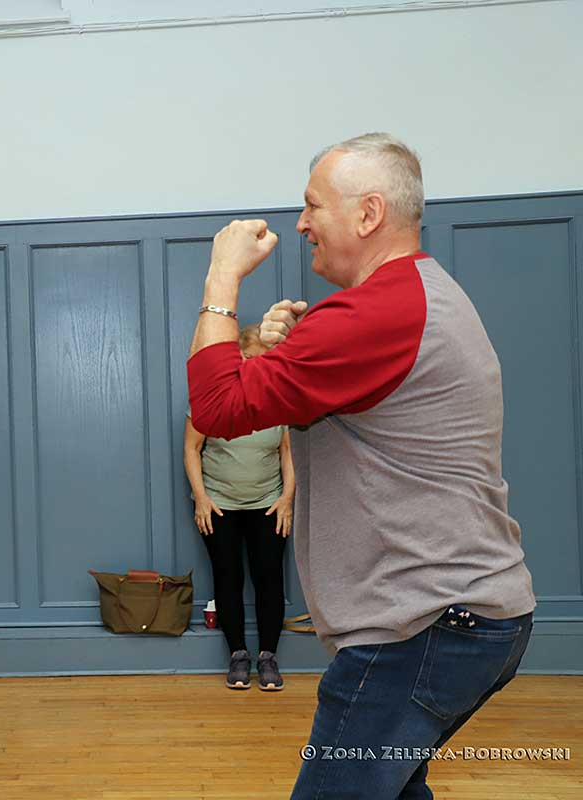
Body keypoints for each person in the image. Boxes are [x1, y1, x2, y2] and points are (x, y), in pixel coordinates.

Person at [186, 133, 535, 799]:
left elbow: (217, 406)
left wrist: (221, 279)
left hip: (423, 629)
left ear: (369, 214)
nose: (301, 223)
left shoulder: (378, 312)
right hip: (464, 619)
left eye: (313, 205)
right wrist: (296, 353)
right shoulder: (417, 295)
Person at [184, 324, 293, 691]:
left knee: (269, 579)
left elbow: (289, 452)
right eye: (248, 358)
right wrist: (201, 498)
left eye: (263, 361)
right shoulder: (212, 396)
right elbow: (192, 448)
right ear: (236, 358)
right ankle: (238, 656)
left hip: (268, 504)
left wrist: (286, 499)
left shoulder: (280, 400)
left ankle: (268, 658)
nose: (253, 366)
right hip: (219, 504)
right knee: (227, 578)